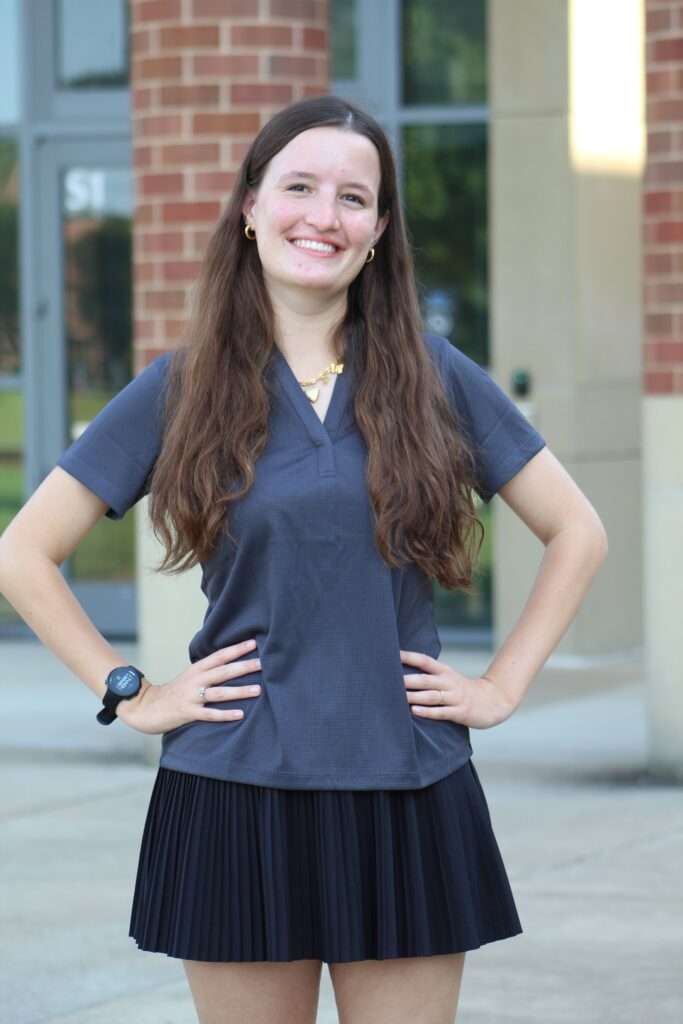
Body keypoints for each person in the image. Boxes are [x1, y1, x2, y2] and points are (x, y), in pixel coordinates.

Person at [0, 94, 608, 1024]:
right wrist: (132, 691)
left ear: (378, 231)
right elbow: (24, 552)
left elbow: (577, 531)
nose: (324, 215)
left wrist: (500, 686)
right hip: (234, 791)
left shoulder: (435, 376)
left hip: (407, 783)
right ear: (250, 207)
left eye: (353, 198)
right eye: (299, 187)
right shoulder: (181, 385)